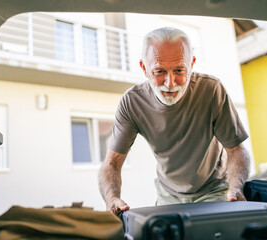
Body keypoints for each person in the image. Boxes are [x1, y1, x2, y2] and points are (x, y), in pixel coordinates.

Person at [98, 27, 250, 215]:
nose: (170, 83)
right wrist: (111, 198)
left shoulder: (212, 90)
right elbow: (111, 163)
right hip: (168, 194)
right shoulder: (131, 102)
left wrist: (235, 188)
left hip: (215, 189)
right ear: (144, 68)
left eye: (179, 70)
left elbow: (236, 150)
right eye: (159, 71)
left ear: (192, 64)